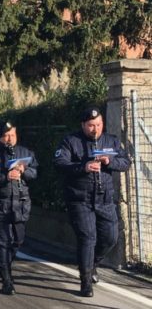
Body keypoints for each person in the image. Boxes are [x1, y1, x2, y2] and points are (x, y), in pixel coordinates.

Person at [53, 107, 130, 297]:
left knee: (110, 238)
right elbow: (60, 163)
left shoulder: (111, 141)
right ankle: (85, 281)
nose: (95, 129)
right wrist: (83, 166)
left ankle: (92, 263)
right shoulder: (70, 141)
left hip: (105, 199)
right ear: (83, 125)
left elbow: (125, 162)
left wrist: (109, 162)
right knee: (88, 238)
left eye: (98, 124)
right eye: (91, 125)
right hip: (80, 200)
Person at [0, 121, 38, 295]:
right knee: (3, 241)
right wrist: (5, 176)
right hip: (0, 203)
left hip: (20, 203)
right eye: (6, 136)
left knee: (18, 240)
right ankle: (7, 280)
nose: (9, 139)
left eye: (12, 135)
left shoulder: (25, 153)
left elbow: (35, 172)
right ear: (0, 138)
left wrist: (24, 171)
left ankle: (2, 264)